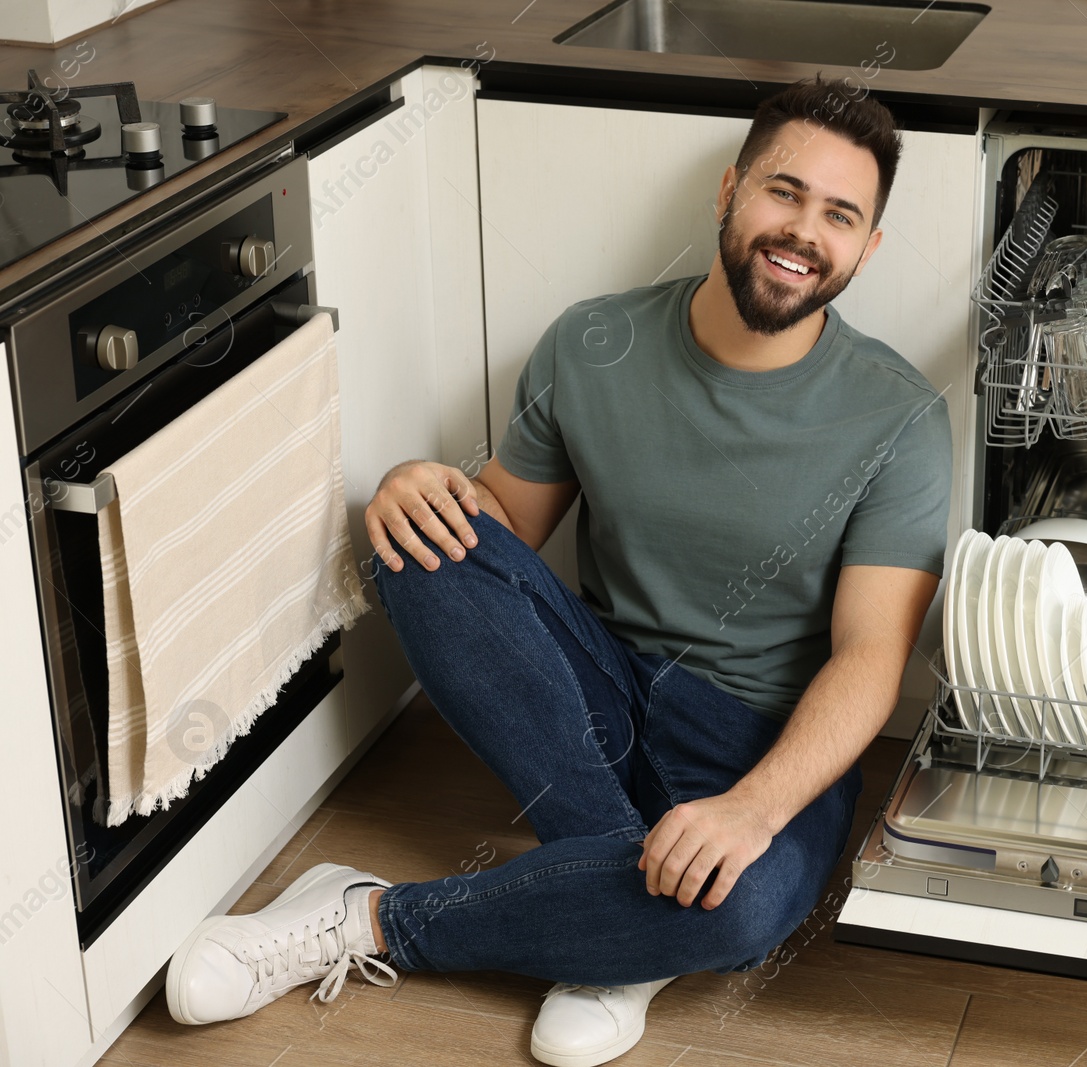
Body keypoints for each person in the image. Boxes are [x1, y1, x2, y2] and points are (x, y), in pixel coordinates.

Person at [164, 75, 952, 1067]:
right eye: (782, 192)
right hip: (600, 692)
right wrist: (420, 486)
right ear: (729, 191)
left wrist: (753, 807)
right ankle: (615, 929)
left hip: (764, 743)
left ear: (867, 249)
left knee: (745, 903)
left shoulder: (901, 418)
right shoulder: (595, 342)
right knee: (409, 538)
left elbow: (872, 656)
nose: (802, 231)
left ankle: (366, 917)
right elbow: (496, 535)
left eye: (840, 215)